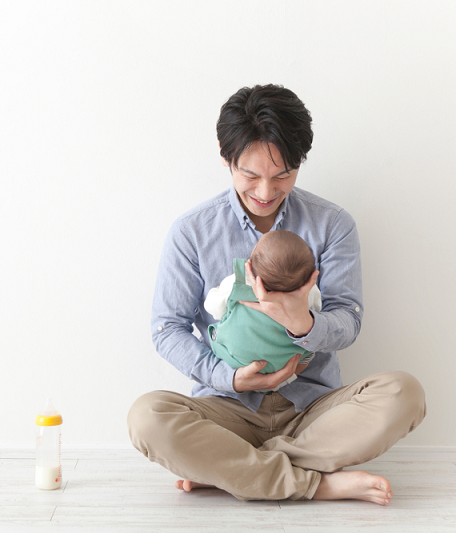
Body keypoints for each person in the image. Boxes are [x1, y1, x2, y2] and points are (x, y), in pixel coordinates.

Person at [127, 84, 426, 504]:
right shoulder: (191, 232)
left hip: (313, 410)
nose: (266, 192)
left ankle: (234, 469)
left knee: (404, 393)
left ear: (300, 162)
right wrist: (227, 377)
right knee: (147, 417)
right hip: (227, 408)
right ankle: (314, 482)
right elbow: (167, 328)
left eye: (282, 175)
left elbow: (348, 319)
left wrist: (304, 324)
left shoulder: (332, 224)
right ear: (224, 154)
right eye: (250, 175)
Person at [204, 230, 323, 392]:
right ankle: (283, 380)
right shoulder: (310, 291)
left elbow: (213, 309)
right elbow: (316, 314)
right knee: (309, 352)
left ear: (250, 265)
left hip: (236, 360)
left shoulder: (237, 283)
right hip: (285, 363)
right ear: (310, 276)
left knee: (216, 334)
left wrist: (217, 291)